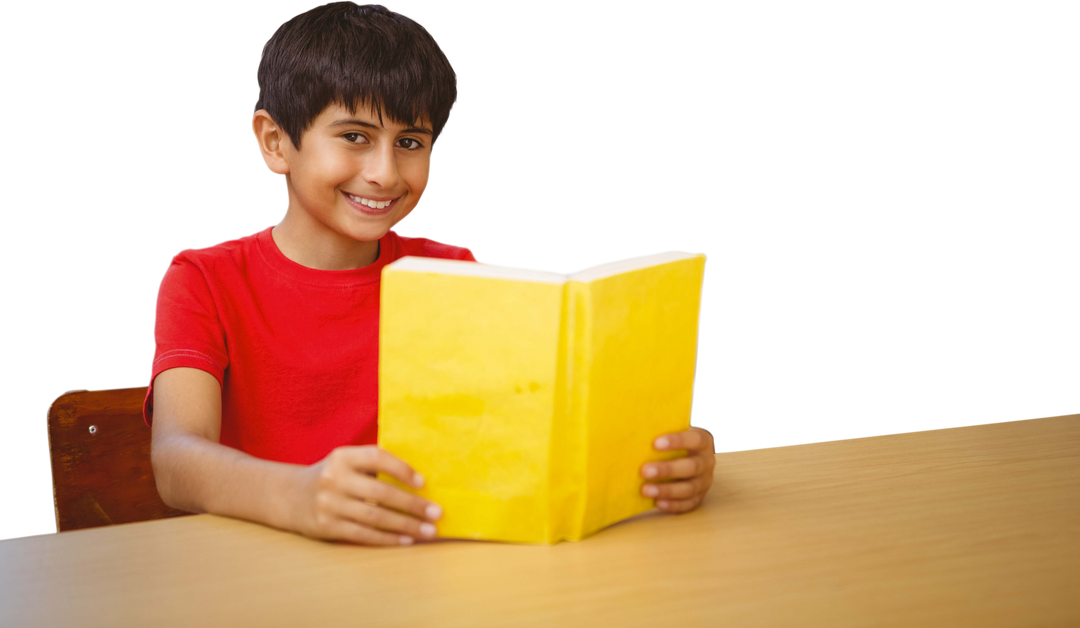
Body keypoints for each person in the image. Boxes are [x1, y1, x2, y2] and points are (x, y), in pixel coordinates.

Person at [146, 0, 715, 547]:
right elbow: (175, 460)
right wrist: (298, 496)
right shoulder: (203, 278)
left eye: (411, 142)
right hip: (264, 571)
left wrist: (673, 454)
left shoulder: (454, 273)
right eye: (354, 137)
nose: (385, 172)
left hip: (428, 563)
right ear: (275, 143)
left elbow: (528, 430)